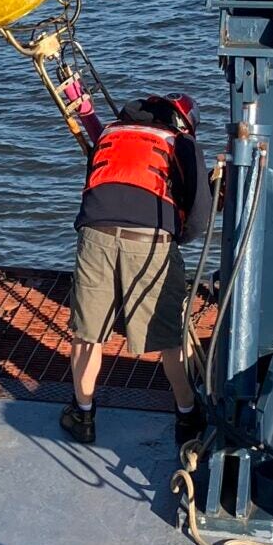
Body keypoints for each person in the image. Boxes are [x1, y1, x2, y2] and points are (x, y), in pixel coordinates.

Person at [59, 93, 211, 448]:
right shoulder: (182, 143)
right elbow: (200, 211)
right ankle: (188, 416)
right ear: (182, 122)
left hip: (95, 234)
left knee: (87, 333)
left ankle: (82, 416)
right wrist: (178, 237)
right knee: (169, 337)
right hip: (151, 243)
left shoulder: (111, 133)